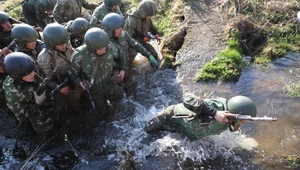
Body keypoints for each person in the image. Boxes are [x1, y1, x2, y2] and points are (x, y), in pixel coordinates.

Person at [68, 28, 127, 117]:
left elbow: (121, 52)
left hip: (110, 83)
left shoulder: (109, 47)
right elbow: (73, 72)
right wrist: (80, 82)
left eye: (105, 47)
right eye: (100, 49)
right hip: (95, 89)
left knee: (122, 101)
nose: (104, 50)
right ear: (92, 48)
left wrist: (123, 68)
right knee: (103, 112)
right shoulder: (79, 54)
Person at [145, 96, 257, 140]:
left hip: (186, 130)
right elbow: (188, 100)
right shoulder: (216, 107)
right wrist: (214, 113)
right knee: (146, 132)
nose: (245, 122)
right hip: (170, 117)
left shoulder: (231, 120)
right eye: (244, 119)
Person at [2, 52, 58, 138]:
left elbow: (40, 83)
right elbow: (22, 117)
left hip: (50, 108)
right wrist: (37, 104)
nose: (32, 75)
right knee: (46, 137)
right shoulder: (14, 94)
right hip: (41, 121)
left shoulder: (27, 73)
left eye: (32, 71)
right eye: (28, 74)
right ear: (17, 76)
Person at [37, 23, 81, 114]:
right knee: (75, 106)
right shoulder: (44, 58)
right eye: (59, 44)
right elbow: (44, 79)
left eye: (64, 42)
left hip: (75, 73)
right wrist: (58, 88)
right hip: (61, 81)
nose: (64, 46)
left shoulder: (66, 42)